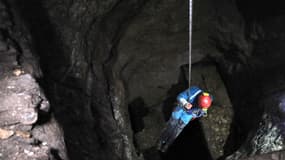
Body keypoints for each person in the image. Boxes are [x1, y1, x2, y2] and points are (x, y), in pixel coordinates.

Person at [157, 86, 213, 152]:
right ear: (198, 99)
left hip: (188, 114)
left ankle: (167, 144)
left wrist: (194, 114)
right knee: (171, 125)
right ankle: (162, 140)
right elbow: (179, 96)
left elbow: (201, 113)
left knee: (177, 131)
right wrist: (185, 103)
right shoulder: (193, 91)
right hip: (181, 108)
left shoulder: (207, 101)